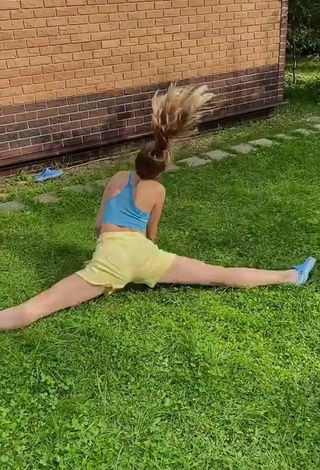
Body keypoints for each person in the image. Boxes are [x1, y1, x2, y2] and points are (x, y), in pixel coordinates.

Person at [0, 85, 316, 330]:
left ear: (135, 162)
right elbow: (151, 234)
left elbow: (98, 226)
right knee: (216, 274)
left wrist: (104, 258)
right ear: (161, 169)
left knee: (37, 307)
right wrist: (145, 259)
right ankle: (289, 276)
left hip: (108, 258)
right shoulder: (158, 189)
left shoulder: (116, 178)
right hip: (144, 257)